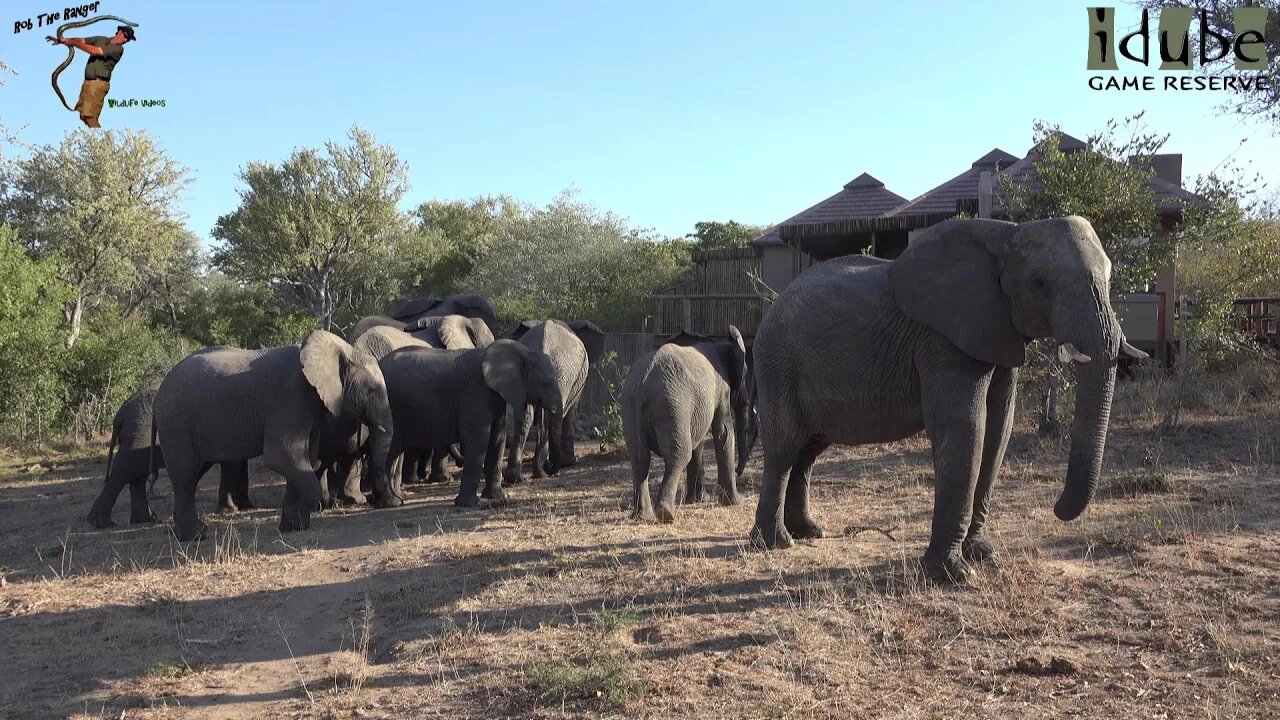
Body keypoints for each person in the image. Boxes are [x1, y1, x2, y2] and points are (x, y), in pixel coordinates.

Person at [45, 25, 136, 128]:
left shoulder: (118, 49)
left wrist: (73, 43)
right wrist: (64, 40)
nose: (125, 39)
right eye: (125, 35)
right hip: (88, 82)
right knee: (84, 116)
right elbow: (82, 40)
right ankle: (95, 140)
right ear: (119, 31)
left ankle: (101, 142)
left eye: (127, 39)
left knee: (90, 117)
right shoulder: (101, 39)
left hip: (98, 84)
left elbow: (95, 51)